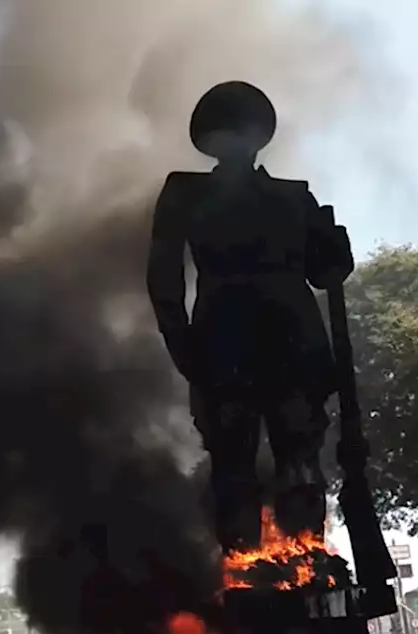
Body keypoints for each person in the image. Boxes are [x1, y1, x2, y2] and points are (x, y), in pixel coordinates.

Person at [147, 80, 353, 553]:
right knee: (233, 466)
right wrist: (184, 350)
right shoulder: (185, 193)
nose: (235, 143)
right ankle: (246, 572)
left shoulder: (294, 197)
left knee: (298, 462)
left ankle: (306, 567)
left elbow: (327, 273)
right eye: (228, 133)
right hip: (224, 343)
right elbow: (164, 278)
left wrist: (334, 246)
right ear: (210, 141)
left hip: (289, 342)